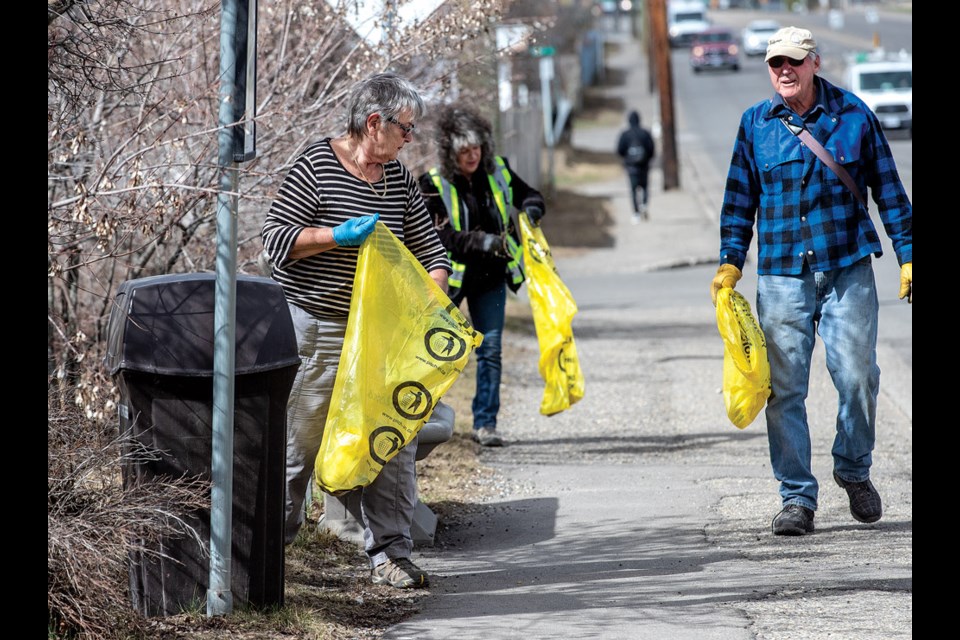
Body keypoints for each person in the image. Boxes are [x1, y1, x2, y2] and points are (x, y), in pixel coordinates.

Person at [710, 27, 912, 536]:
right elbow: (738, 201)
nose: (784, 70)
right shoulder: (755, 124)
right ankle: (797, 498)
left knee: (858, 377)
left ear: (814, 63)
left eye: (794, 62)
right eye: (776, 62)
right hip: (780, 274)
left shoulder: (854, 117)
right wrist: (731, 261)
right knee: (785, 391)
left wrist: (909, 255)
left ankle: (853, 468)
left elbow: (889, 191)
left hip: (847, 266)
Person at [261, 73, 451, 588]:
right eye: (405, 130)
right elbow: (275, 240)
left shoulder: (398, 178)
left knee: (391, 442)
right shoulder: (316, 167)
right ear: (374, 123)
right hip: (317, 330)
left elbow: (432, 252)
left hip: (381, 337)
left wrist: (432, 299)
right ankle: (267, 557)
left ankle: (391, 555)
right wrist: (335, 236)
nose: (409, 140)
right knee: (296, 447)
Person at [418, 105, 546, 447]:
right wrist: (482, 241)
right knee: (433, 350)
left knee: (490, 349)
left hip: (491, 277)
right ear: (451, 152)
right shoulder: (431, 185)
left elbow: (531, 195)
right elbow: (436, 236)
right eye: (464, 150)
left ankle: (486, 424)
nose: (472, 155)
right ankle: (422, 419)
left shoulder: (498, 170)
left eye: (477, 148)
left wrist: (531, 210)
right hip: (450, 278)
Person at [616, 110, 656, 224]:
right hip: (644, 166)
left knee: (633, 191)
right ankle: (644, 204)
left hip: (632, 168)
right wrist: (647, 160)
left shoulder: (625, 134)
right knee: (645, 187)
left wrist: (627, 160)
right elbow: (651, 149)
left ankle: (636, 213)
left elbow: (619, 150)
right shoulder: (645, 133)